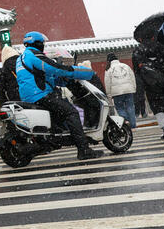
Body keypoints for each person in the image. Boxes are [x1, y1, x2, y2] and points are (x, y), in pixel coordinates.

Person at [15, 31, 102, 160]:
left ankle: (55, 141)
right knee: (71, 112)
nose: (43, 45)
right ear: (37, 43)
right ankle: (84, 150)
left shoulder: (21, 58)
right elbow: (56, 68)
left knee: (59, 118)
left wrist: (64, 81)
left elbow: (44, 76)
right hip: (41, 95)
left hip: (30, 96)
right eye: (42, 43)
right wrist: (84, 72)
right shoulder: (34, 55)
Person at [133, 40, 164, 139]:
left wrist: (141, 86)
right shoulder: (161, 47)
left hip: (151, 85)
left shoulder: (138, 51)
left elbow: (137, 72)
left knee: (157, 108)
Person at [104, 53, 138, 128]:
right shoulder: (126, 66)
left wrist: (109, 94)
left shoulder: (109, 70)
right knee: (130, 107)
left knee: (120, 108)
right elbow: (132, 78)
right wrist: (134, 88)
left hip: (116, 92)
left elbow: (107, 83)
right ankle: (133, 125)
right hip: (128, 90)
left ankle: (126, 121)